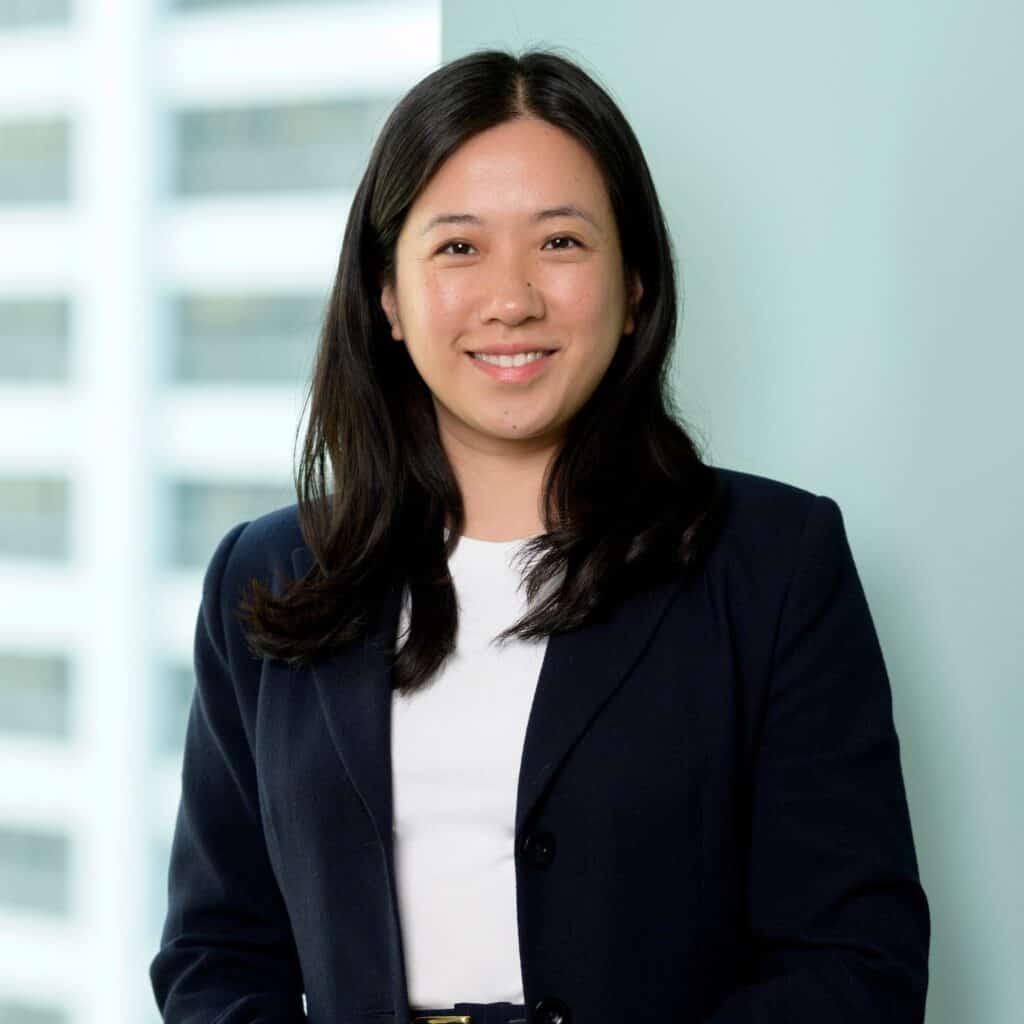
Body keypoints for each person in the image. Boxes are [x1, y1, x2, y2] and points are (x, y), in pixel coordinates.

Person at [149, 48, 930, 1024]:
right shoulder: (267, 576)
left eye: (560, 242)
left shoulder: (773, 564)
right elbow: (215, 956)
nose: (512, 299)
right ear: (386, 295)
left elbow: (857, 966)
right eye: (458, 248)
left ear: (634, 283)